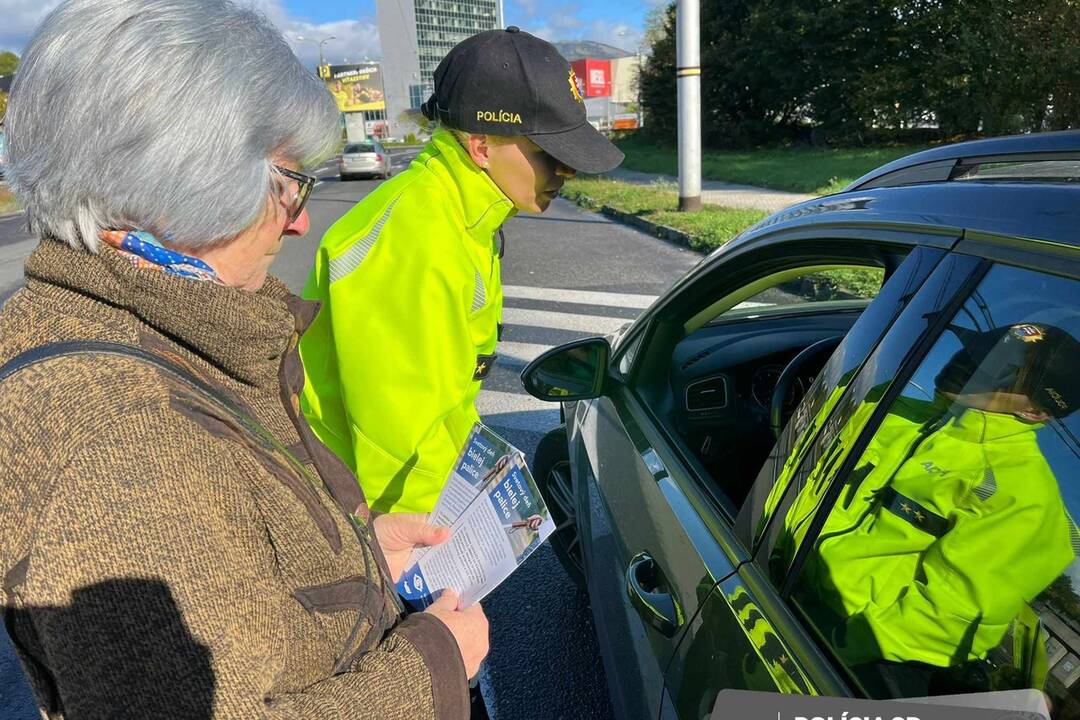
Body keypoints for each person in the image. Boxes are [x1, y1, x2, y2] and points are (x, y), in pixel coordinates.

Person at [0, 1, 486, 717]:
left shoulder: (136, 323)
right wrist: (434, 667)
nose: (298, 219)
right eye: (286, 182)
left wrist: (356, 556)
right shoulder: (123, 439)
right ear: (182, 175)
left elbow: (225, 568)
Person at [300, 27, 624, 515]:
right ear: (480, 145)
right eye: (548, 154)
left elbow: (445, 393)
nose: (566, 173)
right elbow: (397, 440)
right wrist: (432, 556)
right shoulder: (415, 235)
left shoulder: (465, 213)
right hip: (365, 507)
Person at [778, 322, 1080, 696]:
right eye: (977, 350)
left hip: (838, 655)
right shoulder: (891, 408)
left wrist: (831, 645)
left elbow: (945, 619)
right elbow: (798, 475)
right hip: (780, 586)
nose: (968, 364)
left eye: (999, 368)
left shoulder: (1026, 496)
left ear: (1036, 412)